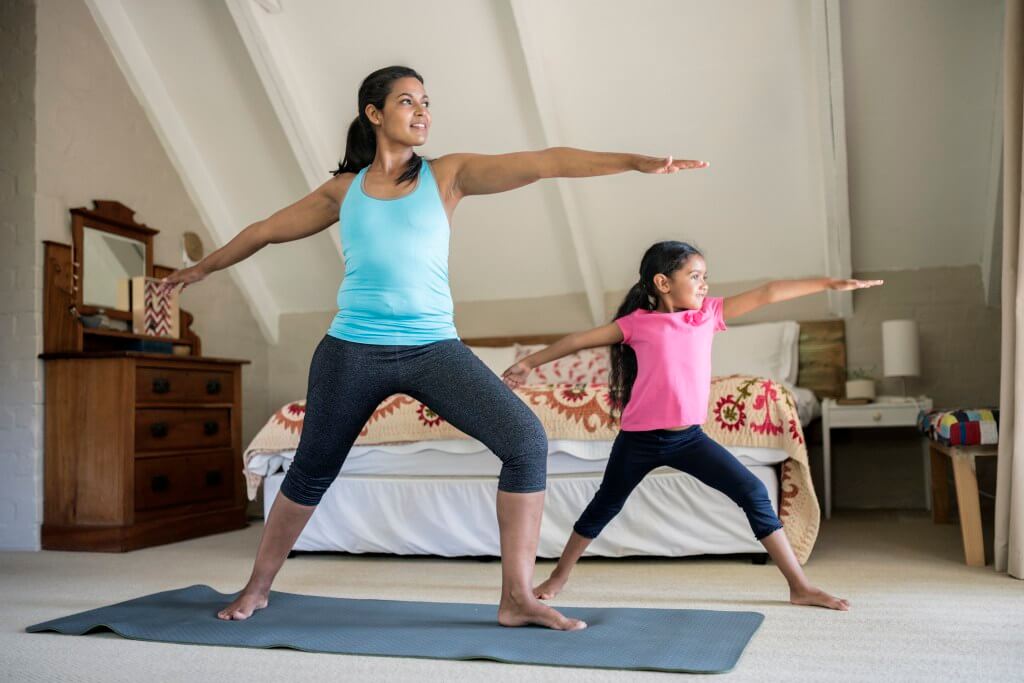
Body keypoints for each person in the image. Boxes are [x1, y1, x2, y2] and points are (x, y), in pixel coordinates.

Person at [163, 66, 708, 630]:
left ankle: (518, 596)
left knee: (524, 440)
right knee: (310, 469)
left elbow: (547, 160)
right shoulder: (342, 192)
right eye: (406, 102)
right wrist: (200, 269)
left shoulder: (449, 176)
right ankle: (257, 587)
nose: (422, 112)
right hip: (352, 350)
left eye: (426, 101)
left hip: (433, 348)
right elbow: (263, 231)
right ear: (374, 114)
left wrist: (633, 161)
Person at [503, 240, 881, 611]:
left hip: (689, 440)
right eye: (695, 276)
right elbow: (577, 340)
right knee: (604, 505)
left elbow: (768, 292)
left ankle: (800, 586)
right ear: (663, 283)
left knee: (752, 491)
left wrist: (829, 284)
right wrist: (528, 364)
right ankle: (558, 577)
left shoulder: (708, 315)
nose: (704, 284)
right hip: (639, 441)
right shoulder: (636, 324)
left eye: (705, 277)